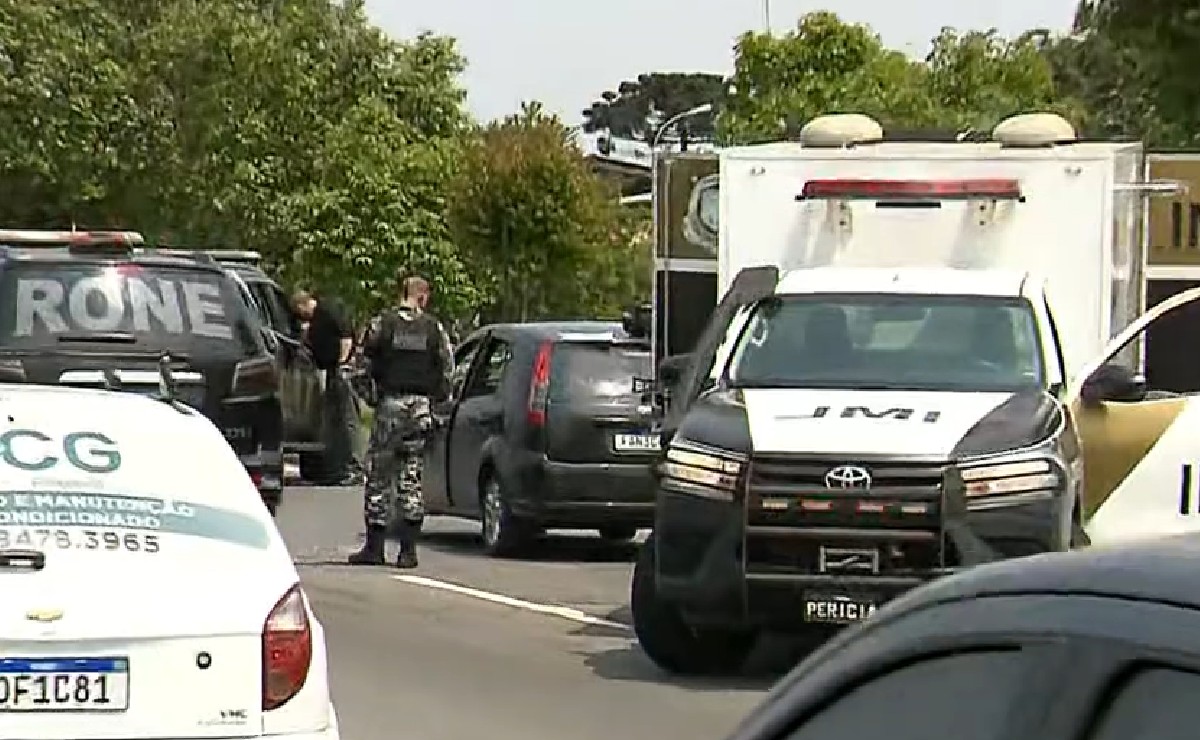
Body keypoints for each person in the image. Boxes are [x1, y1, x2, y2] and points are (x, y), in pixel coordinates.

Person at [349, 276, 453, 568]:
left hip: (390, 405)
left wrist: (372, 398)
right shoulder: (434, 329)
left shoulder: (382, 324)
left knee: (379, 474)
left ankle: (375, 547)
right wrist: (436, 406)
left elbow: (359, 367)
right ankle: (408, 551)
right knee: (411, 475)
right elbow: (448, 371)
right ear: (422, 296)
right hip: (420, 407)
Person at [290, 290, 362, 485]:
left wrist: (342, 363)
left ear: (303, 305)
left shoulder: (328, 309)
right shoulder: (317, 319)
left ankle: (355, 466)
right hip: (331, 370)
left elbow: (346, 337)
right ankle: (339, 467)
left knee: (347, 418)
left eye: (299, 312)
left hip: (340, 370)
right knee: (336, 420)